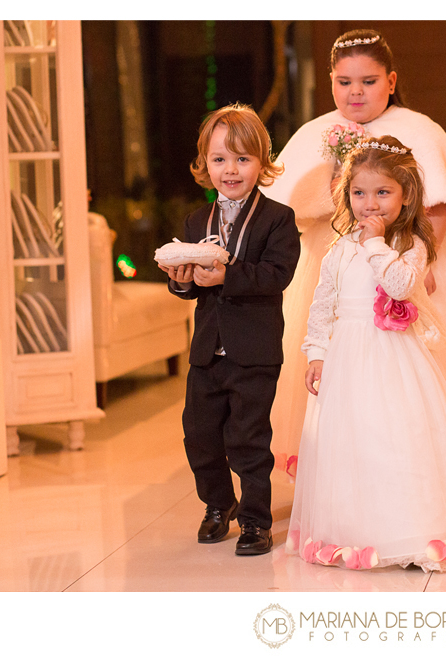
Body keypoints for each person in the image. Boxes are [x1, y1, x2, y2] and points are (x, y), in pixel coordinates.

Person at [267, 28, 446, 483]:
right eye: (344, 82)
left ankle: (415, 473)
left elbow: (437, 203)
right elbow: (285, 204)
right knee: (336, 363)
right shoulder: (314, 133)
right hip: (333, 265)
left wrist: (429, 261)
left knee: (408, 372)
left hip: (404, 262)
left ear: (391, 79)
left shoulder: (418, 129)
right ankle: (344, 476)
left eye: (368, 81)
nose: (355, 92)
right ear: (330, 81)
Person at [286, 136, 446, 572]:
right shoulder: (339, 250)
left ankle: (414, 529)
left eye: (383, 192)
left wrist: (377, 244)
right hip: (348, 358)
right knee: (355, 440)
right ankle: (359, 531)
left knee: (400, 435)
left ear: (406, 195)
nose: (370, 204)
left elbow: (398, 285)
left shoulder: (411, 245)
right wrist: (317, 352)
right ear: (347, 195)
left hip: (396, 357)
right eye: (359, 193)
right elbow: (324, 303)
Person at [161, 103, 300, 555]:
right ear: (205, 165)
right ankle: (219, 506)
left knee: (248, 438)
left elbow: (278, 274)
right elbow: (191, 288)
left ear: (262, 162)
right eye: (220, 159)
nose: (231, 170)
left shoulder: (278, 218)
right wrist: (181, 284)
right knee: (199, 435)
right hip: (207, 351)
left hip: (254, 351)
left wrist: (230, 273)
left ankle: (256, 521)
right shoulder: (196, 221)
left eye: (243, 159)